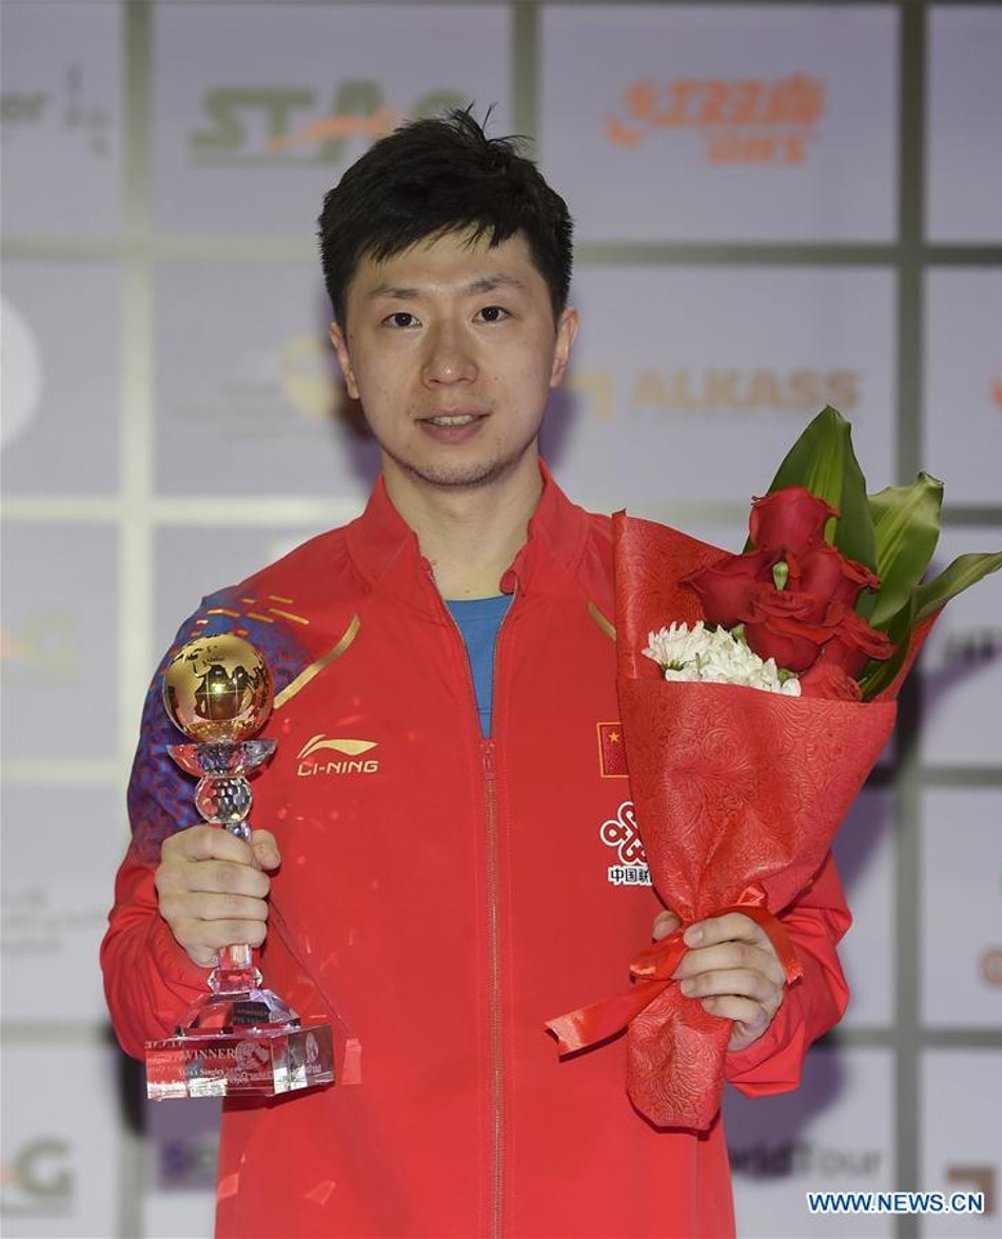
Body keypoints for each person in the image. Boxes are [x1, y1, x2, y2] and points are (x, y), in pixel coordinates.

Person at [102, 109, 851, 1238]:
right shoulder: (247, 642)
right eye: (401, 318)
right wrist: (185, 940)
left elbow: (805, 952)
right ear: (345, 358)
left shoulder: (696, 620)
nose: (449, 364)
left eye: (492, 312)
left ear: (559, 341)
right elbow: (151, 1016)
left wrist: (761, 999)